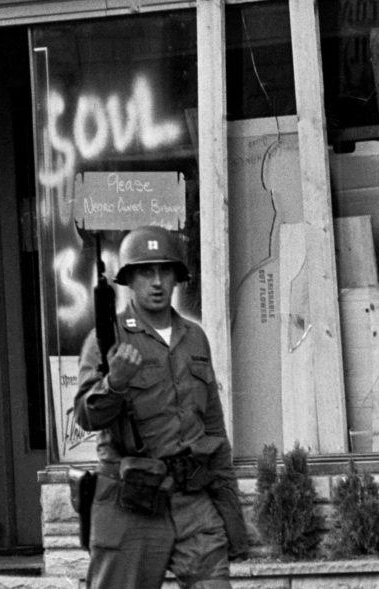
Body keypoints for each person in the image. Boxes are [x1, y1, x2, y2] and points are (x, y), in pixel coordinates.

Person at [75, 225, 244, 588]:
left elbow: (214, 428)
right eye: (145, 272)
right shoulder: (106, 341)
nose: (156, 282)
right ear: (128, 280)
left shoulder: (195, 338)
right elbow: (87, 417)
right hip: (130, 502)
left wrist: (230, 514)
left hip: (191, 501)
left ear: (177, 278)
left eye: (164, 270)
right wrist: (115, 381)